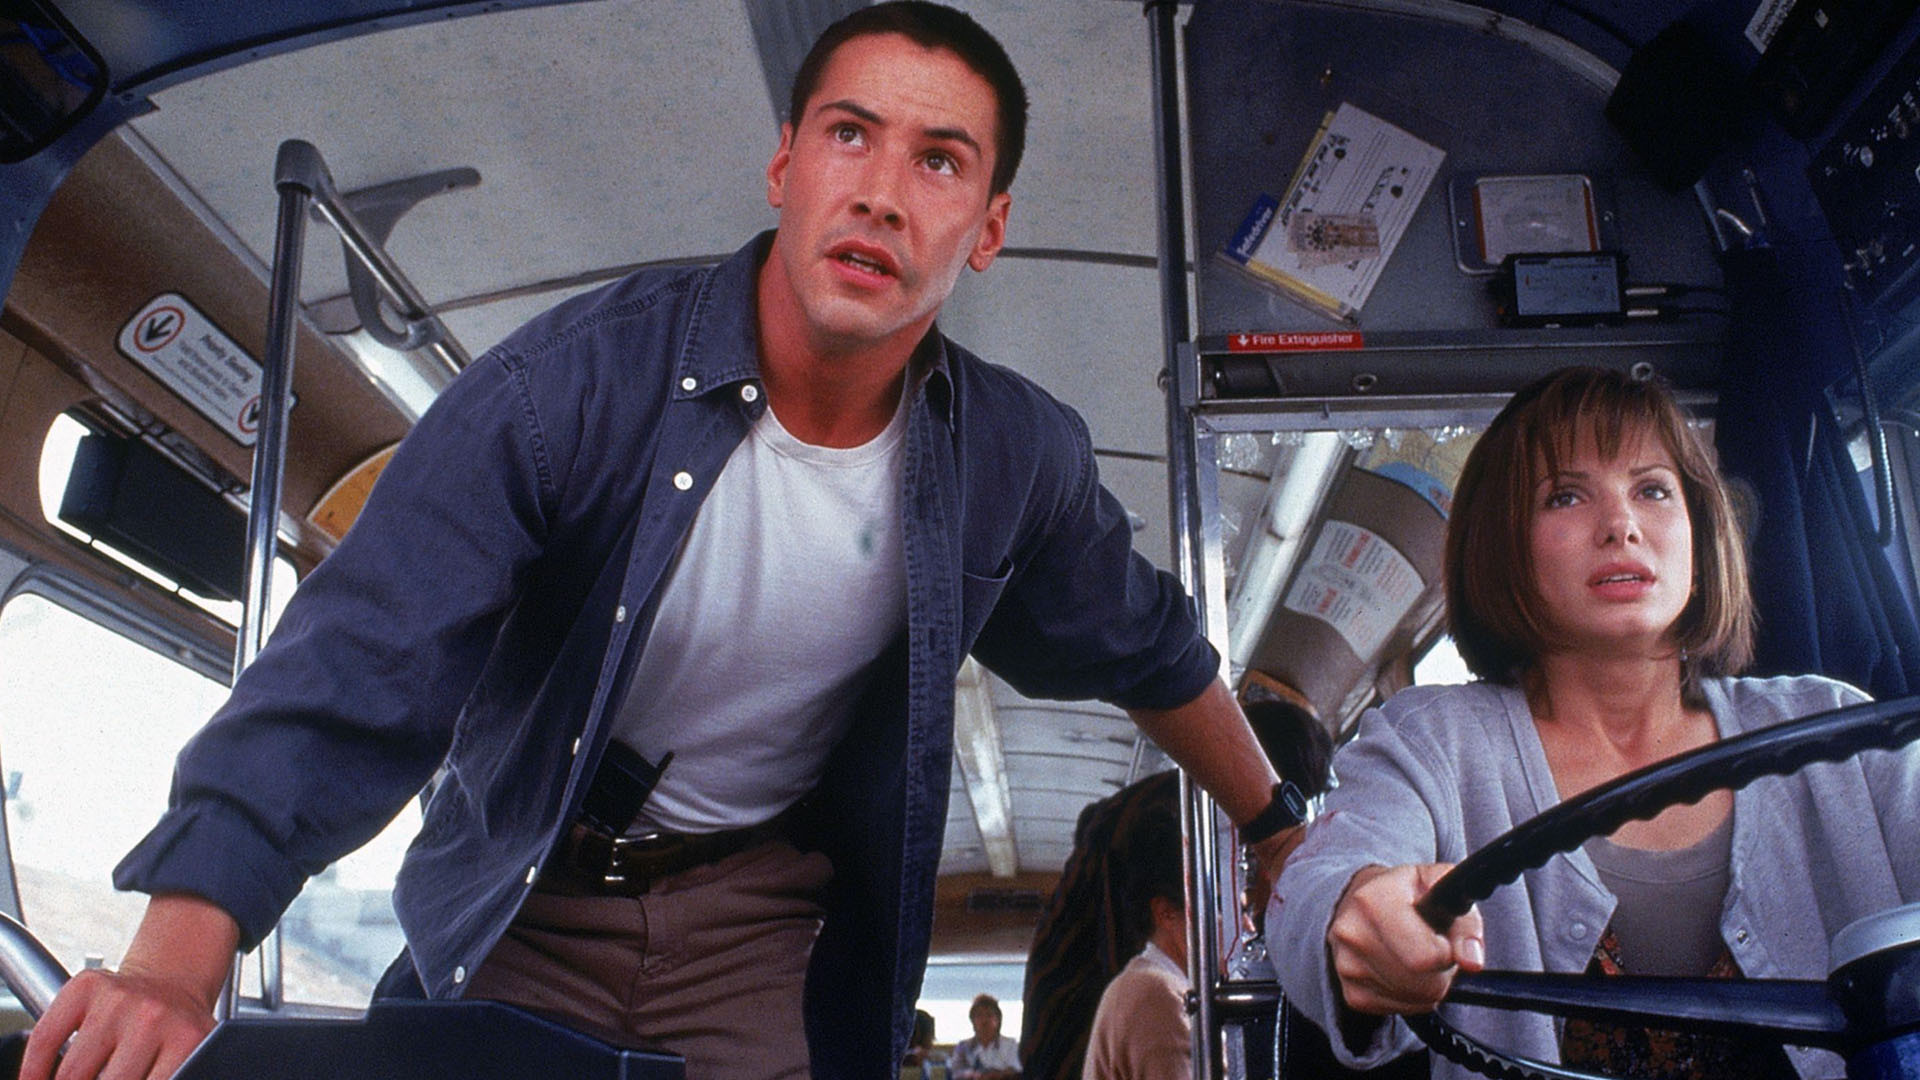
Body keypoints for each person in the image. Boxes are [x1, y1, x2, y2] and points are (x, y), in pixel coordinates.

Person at [23, 5, 1301, 1080]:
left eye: (939, 161)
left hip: (758, 920)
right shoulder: (565, 391)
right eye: (849, 135)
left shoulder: (1012, 460)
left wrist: (1281, 833)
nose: (880, 193)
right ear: (785, 165)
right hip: (525, 885)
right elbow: (363, 662)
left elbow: (1151, 648)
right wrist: (172, 970)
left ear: (991, 224)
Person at [1272, 366, 1920, 1080]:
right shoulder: (1432, 745)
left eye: (1653, 490)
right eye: (1567, 496)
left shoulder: (1834, 732)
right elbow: (1318, 888)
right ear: (1503, 544)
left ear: (1701, 535)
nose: (1621, 526)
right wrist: (1364, 910)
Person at [1021, 696, 1332, 1080]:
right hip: (1069, 1030)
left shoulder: (1199, 809)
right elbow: (1131, 950)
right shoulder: (1167, 823)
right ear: (1264, 774)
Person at [1081, 812, 1190, 1080]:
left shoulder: (1148, 982)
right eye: (1222, 907)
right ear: (1165, 913)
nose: (1244, 926)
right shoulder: (1158, 993)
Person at [952, 994, 1020, 1080]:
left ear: (998, 1020)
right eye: (979, 1015)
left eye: (989, 1015)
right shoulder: (963, 1046)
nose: (984, 1021)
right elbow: (956, 1072)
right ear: (972, 1021)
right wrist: (973, 1075)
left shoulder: (1010, 1044)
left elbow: (1016, 1070)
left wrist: (996, 1075)